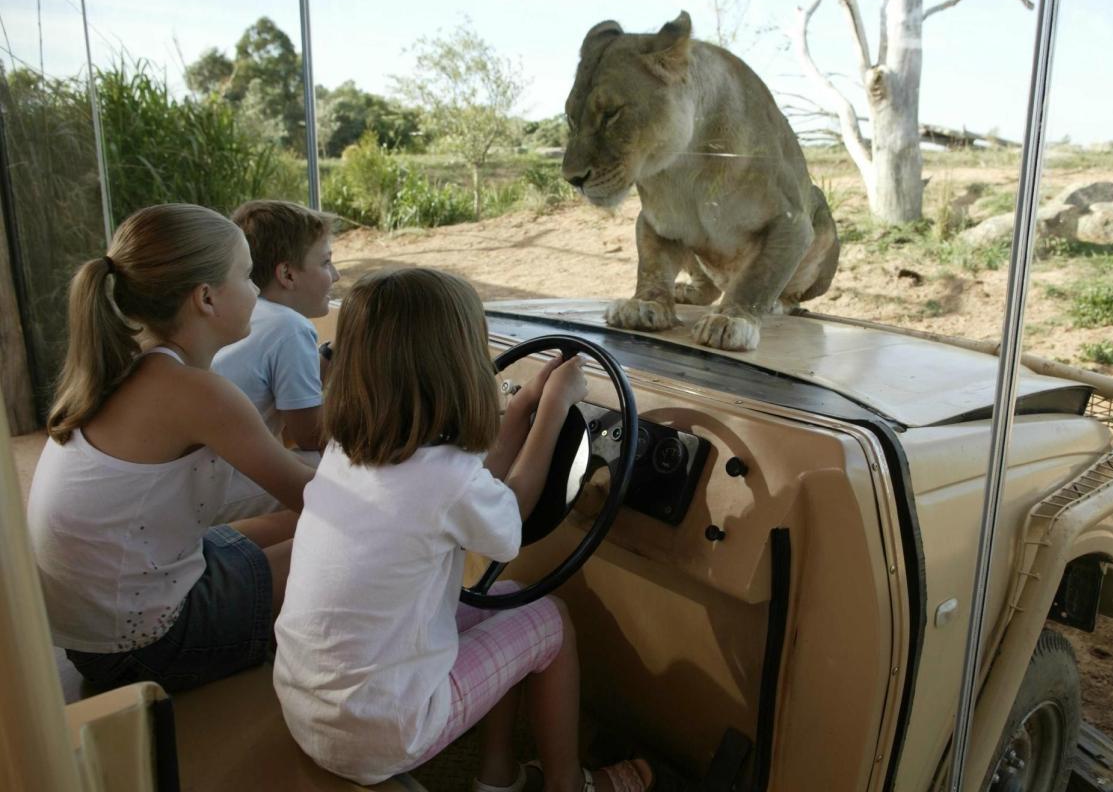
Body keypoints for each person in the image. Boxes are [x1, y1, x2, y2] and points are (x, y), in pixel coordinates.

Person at [273, 268, 652, 792]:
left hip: (312, 707)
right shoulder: (443, 479)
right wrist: (556, 410)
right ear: (457, 365)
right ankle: (571, 785)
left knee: (511, 600)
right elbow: (509, 514)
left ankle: (499, 776)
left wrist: (521, 408)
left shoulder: (350, 450)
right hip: (382, 730)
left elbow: (476, 490)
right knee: (551, 619)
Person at [27, 203, 314, 693]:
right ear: (205, 297)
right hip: (146, 648)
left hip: (102, 630)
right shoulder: (195, 392)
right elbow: (322, 500)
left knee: (295, 526)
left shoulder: (128, 367)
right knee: (344, 535)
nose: (254, 291)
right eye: (246, 277)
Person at [211, 200, 339, 521]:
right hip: (213, 490)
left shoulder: (249, 315)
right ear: (287, 274)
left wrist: (330, 354)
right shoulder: (289, 326)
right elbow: (309, 435)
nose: (335, 275)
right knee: (351, 475)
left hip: (201, 476)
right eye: (326, 263)